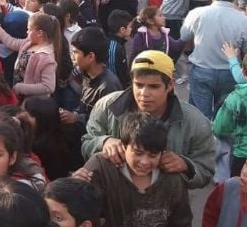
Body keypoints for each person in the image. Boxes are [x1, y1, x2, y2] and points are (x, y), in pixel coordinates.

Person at [81, 50, 215, 189]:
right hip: (112, 199)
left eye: (154, 86)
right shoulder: (106, 107)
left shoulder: (195, 122)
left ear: (170, 85)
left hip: (164, 204)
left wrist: (186, 166)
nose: (144, 93)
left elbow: (206, 170)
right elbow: (86, 142)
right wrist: (104, 142)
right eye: (138, 85)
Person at [74, 112, 192, 227]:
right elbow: (77, 210)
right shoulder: (101, 167)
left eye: (153, 155)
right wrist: (75, 187)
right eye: (138, 153)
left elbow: (182, 221)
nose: (144, 162)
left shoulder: (173, 179)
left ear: (162, 153)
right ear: (124, 146)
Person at [180, 0, 247, 119]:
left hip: (202, 69)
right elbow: (246, 49)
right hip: (230, 71)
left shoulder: (197, 13)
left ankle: (203, 139)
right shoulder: (244, 20)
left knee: (200, 116)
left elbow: (184, 36)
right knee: (226, 115)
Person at [0, 12, 60, 99]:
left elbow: (48, 87)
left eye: (29, 29)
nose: (27, 32)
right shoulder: (29, 42)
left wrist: (21, 88)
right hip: (19, 96)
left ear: (40, 33)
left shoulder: (46, 57)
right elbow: (11, 42)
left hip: (32, 101)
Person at [64, 27, 123, 127]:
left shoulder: (108, 86)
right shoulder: (87, 75)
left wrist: (76, 118)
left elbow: (107, 124)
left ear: (91, 57)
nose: (72, 57)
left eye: (76, 52)